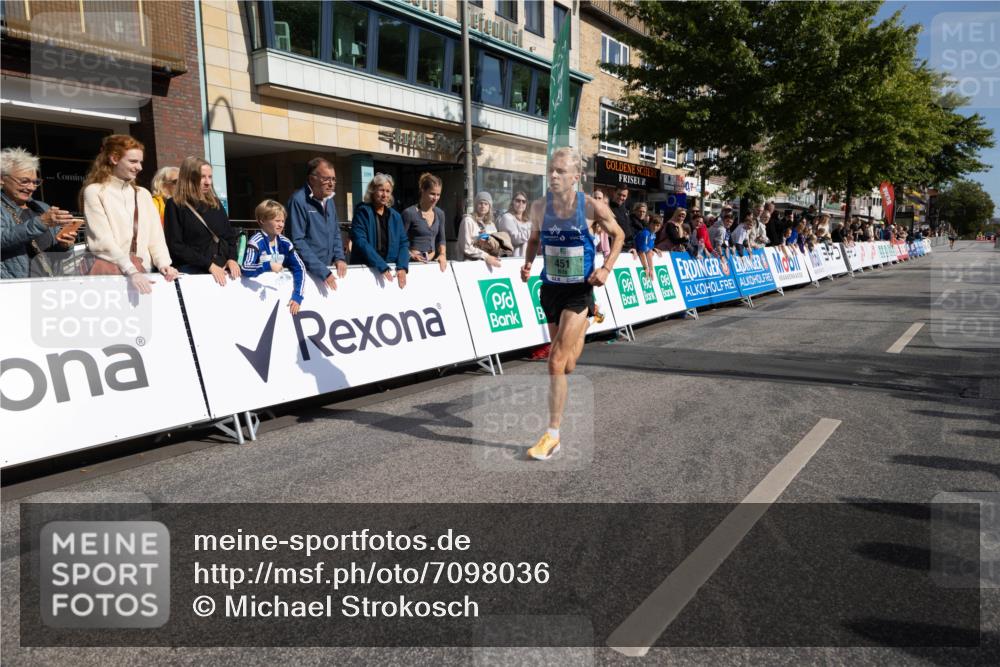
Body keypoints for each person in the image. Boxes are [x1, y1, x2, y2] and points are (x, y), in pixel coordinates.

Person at [520, 147, 624, 461]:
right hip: (550, 290)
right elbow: (535, 240)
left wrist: (606, 268)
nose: (553, 175)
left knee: (553, 362)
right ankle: (586, 323)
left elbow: (618, 236)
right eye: (551, 170)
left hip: (580, 290)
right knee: (567, 365)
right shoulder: (539, 207)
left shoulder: (590, 207)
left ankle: (552, 435)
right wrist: (527, 264)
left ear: (575, 177)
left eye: (561, 171)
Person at [81, 135, 178, 293]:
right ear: (114, 159)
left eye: (140, 162)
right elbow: (102, 240)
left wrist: (164, 264)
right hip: (111, 275)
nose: (139, 167)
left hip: (144, 273)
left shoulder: (143, 194)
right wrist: (131, 270)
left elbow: (156, 236)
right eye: (133, 161)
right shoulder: (95, 191)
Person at [1, 147, 78, 279]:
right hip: (14, 288)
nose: (31, 187)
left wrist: (64, 246)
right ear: (2, 179)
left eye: (35, 182)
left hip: (47, 285)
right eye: (24, 181)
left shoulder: (41, 207)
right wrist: (40, 223)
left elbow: (52, 255)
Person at [164, 156, 240, 287]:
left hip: (222, 272)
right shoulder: (175, 204)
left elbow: (229, 236)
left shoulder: (215, 203)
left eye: (210, 177)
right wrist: (209, 265)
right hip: (193, 274)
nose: (208, 182)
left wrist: (232, 259)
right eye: (202, 177)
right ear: (189, 177)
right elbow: (176, 245)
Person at [287, 157, 348, 290]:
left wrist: (339, 257)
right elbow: (297, 241)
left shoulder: (329, 200)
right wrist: (322, 270)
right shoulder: (298, 201)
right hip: (306, 274)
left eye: (333, 179)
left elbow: (335, 232)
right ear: (312, 179)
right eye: (326, 179)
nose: (331, 183)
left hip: (327, 270)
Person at [241, 199, 306, 314]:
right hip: (258, 304)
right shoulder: (256, 242)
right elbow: (246, 268)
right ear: (262, 221)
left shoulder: (286, 243)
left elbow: (299, 268)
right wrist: (268, 265)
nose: (281, 224)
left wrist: (297, 296)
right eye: (277, 221)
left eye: (283, 221)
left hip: (283, 301)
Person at [350, 172, 409, 288]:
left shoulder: (395, 216)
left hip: (389, 270)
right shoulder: (362, 212)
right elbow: (361, 242)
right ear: (372, 190)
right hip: (366, 269)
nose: (384, 195)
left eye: (388, 191)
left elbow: (403, 243)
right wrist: (381, 265)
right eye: (381, 190)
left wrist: (402, 267)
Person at [402, 172, 448, 271]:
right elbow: (399, 241)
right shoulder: (409, 213)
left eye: (438, 194)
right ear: (423, 190)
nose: (435, 198)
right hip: (412, 265)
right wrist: (411, 254)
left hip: (432, 264)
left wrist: (442, 254)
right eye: (432, 194)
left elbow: (441, 239)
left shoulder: (440, 214)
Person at [458, 191, 501, 268]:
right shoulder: (468, 221)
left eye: (486, 204)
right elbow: (466, 247)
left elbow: (496, 245)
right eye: (480, 203)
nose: (483, 206)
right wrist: (485, 256)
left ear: (489, 207)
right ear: (476, 205)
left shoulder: (491, 224)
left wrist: (489, 243)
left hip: (488, 264)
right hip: (470, 265)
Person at [497, 190, 532, 258]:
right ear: (513, 202)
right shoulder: (507, 217)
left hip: (529, 258)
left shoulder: (528, 221)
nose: (521, 203)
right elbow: (515, 239)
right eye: (518, 200)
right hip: (514, 259)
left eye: (524, 201)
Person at [632, 214, 662, 278]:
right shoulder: (645, 233)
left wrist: (651, 269)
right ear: (649, 223)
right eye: (653, 224)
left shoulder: (653, 234)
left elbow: (649, 252)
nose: (655, 227)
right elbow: (641, 252)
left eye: (657, 225)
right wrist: (646, 268)